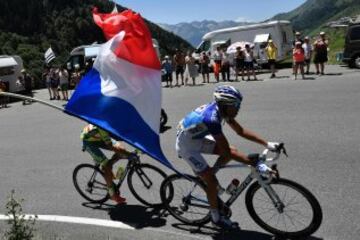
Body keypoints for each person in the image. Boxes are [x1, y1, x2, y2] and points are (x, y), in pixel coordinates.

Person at [176, 85, 279, 229]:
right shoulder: (212, 119)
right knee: (212, 181)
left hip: (195, 137)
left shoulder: (222, 111)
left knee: (231, 152)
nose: (238, 108)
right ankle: (216, 218)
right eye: (235, 105)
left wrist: (267, 144)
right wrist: (256, 164)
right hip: (187, 146)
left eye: (239, 105)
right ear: (224, 105)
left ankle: (207, 177)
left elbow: (240, 131)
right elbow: (226, 151)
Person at [81, 124, 137, 204]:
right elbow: (111, 146)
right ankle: (112, 194)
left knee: (122, 150)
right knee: (108, 164)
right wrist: (129, 154)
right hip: (89, 141)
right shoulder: (103, 128)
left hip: (99, 136)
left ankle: (108, 168)